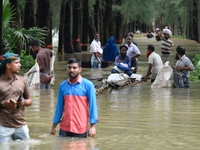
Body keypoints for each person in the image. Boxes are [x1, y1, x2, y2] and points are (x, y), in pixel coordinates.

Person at [50, 58, 98, 138]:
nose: (71, 70)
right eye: (69, 67)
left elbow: (93, 106)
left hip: (80, 127)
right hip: (65, 127)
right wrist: (54, 126)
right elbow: (59, 107)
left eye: (74, 68)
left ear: (80, 69)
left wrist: (93, 126)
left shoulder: (88, 85)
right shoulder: (62, 86)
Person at [0, 52, 32, 143]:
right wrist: (3, 104)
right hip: (3, 125)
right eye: (17, 63)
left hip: (21, 124)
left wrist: (23, 103)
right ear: (8, 65)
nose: (20, 65)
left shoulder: (22, 80)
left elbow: (30, 101)